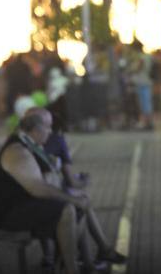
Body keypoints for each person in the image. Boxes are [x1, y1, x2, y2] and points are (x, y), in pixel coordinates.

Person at [0, 110, 90, 274]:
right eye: (48, 127)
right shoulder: (17, 151)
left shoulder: (29, 144)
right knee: (67, 209)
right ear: (36, 129)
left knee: (75, 207)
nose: (51, 131)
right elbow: (37, 188)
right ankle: (71, 268)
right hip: (5, 214)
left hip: (20, 204)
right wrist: (71, 199)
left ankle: (74, 264)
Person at [27, 107, 126, 269]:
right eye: (47, 127)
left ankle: (81, 259)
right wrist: (84, 182)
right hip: (44, 197)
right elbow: (69, 181)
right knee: (80, 204)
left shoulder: (22, 142)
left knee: (78, 204)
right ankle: (96, 255)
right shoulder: (52, 141)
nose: (48, 131)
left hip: (39, 195)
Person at [125, 40, 154, 130]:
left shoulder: (141, 57)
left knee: (144, 104)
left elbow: (137, 68)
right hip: (144, 82)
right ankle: (148, 122)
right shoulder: (148, 56)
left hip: (142, 82)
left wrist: (129, 70)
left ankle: (147, 122)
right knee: (145, 103)